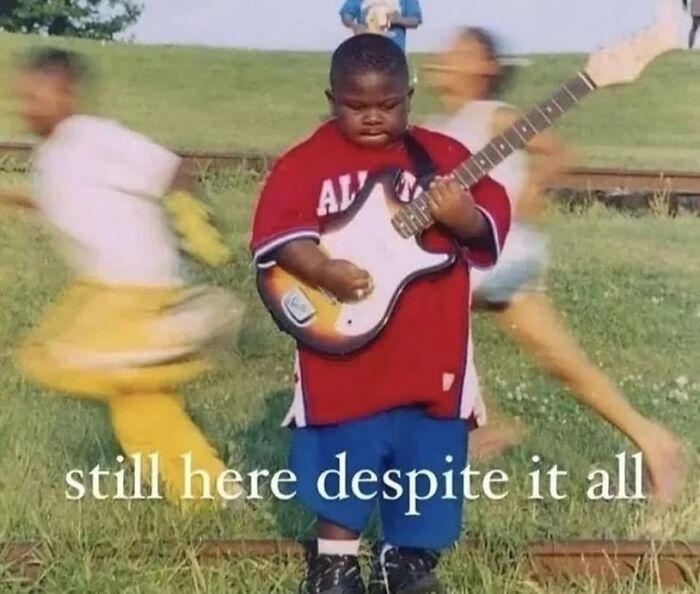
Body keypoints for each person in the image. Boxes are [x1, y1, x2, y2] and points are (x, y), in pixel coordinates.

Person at [251, 33, 511, 594]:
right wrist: (324, 271)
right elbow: (278, 239)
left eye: (389, 105)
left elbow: (488, 221)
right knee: (343, 448)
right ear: (331, 98)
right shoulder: (306, 163)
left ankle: (407, 560)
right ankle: (334, 562)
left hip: (429, 349)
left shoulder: (442, 157)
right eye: (356, 105)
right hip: (343, 356)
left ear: (409, 96)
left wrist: (463, 216)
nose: (373, 117)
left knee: (428, 452)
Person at [423, 27, 687, 504]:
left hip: (502, 253)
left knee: (424, 309)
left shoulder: (490, 114)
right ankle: (652, 439)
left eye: (460, 53)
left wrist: (532, 189)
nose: (446, 58)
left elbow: (556, 151)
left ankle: (478, 421)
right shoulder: (438, 125)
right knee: (564, 364)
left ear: (485, 68)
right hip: (477, 260)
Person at [1, 48, 245, 509]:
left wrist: (195, 222)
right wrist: (12, 199)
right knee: (139, 412)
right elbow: (66, 203)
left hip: (137, 287)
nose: (27, 107)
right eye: (22, 98)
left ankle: (178, 336)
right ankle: (210, 497)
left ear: (67, 94)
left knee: (61, 358)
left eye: (38, 95)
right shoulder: (50, 155)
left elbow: (168, 168)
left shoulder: (94, 138)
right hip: (103, 289)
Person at [340, 0, 422, 54]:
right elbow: (346, 15)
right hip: (365, 50)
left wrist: (399, 19)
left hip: (394, 52)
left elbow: (415, 20)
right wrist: (354, 26)